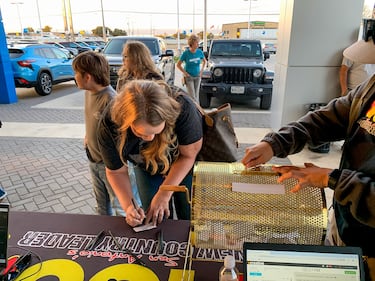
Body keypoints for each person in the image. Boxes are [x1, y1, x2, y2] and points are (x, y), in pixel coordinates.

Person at [241, 74, 375, 280]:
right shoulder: (371, 86)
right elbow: (327, 119)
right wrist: (275, 143)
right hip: (344, 226)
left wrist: (333, 179)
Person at [97, 80, 203, 227]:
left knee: (189, 215)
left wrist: (165, 192)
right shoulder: (109, 124)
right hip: (147, 168)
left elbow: (189, 155)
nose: (150, 138)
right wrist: (129, 206)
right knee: (155, 216)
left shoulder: (183, 107)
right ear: (127, 123)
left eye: (156, 132)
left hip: (183, 164)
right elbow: (115, 172)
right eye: (140, 133)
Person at [72, 51, 125, 216]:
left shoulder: (111, 100)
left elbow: (122, 137)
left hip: (110, 165)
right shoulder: (88, 92)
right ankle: (104, 238)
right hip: (93, 159)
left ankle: (122, 240)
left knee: (120, 207)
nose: (74, 77)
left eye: (76, 73)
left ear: (87, 77)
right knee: (101, 206)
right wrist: (88, 136)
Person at [177, 34, 207, 102]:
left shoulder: (199, 52)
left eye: (198, 42)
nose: (198, 44)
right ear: (192, 43)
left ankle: (198, 111)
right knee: (192, 96)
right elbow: (178, 65)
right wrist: (185, 73)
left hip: (197, 76)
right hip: (189, 77)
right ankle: (194, 111)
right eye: (196, 42)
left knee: (196, 96)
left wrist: (201, 71)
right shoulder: (186, 53)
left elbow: (205, 61)